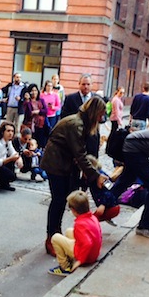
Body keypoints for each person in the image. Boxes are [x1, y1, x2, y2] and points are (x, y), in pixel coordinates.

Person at [41, 96, 107, 256]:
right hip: (55, 163)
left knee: (62, 199)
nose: (101, 118)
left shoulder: (79, 123)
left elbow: (79, 153)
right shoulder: (76, 124)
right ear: (94, 112)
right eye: (100, 115)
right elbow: (79, 153)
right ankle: (51, 238)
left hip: (62, 163)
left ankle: (55, 235)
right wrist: (95, 175)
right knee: (58, 200)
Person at [47, 190, 102, 277]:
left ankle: (65, 267)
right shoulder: (93, 217)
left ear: (74, 210)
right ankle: (71, 260)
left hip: (87, 257)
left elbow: (88, 243)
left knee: (55, 237)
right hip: (94, 253)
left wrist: (80, 260)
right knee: (69, 231)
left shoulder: (79, 224)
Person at [60, 73, 100, 156]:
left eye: (88, 84)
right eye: (83, 84)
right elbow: (64, 116)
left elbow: (103, 117)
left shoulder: (97, 99)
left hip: (92, 137)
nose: (86, 86)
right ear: (79, 84)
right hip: (75, 137)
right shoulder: (70, 98)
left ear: (92, 85)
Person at [86, 155, 120, 225]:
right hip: (109, 205)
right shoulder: (95, 175)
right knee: (92, 220)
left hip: (111, 207)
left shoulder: (101, 177)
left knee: (90, 221)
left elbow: (110, 190)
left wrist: (103, 204)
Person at [22, 83, 48, 147]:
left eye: (35, 90)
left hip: (41, 124)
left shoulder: (41, 100)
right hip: (31, 124)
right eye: (32, 90)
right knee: (31, 141)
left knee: (40, 141)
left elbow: (46, 110)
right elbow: (28, 112)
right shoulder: (27, 102)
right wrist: (27, 101)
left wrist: (38, 111)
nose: (34, 92)